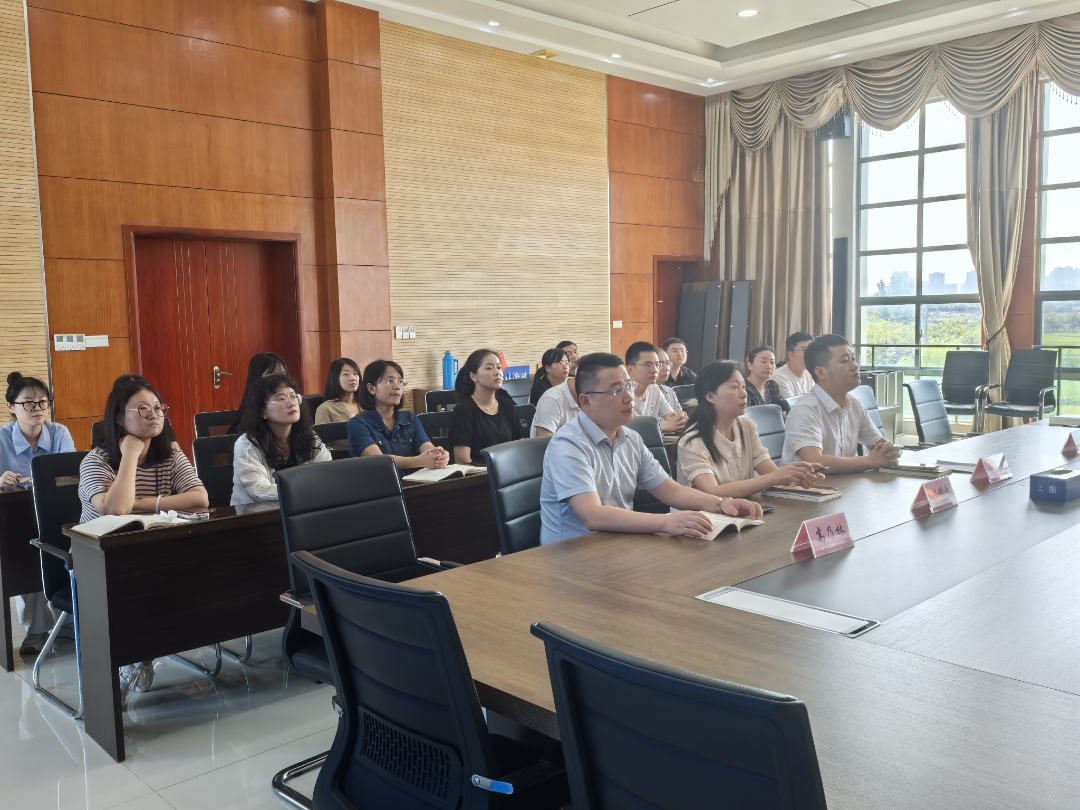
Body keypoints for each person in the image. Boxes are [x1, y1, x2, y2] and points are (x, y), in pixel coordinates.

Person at [539, 353, 762, 546]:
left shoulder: (632, 439)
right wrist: (667, 522)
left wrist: (722, 504)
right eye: (616, 391)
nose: (629, 397)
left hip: (618, 544)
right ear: (586, 402)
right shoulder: (568, 444)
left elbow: (671, 491)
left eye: (629, 386)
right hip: (573, 554)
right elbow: (592, 516)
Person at [78, 374, 209, 693]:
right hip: (99, 563)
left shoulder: (171, 454)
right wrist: (130, 456)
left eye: (158, 408)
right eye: (143, 409)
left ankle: (144, 652)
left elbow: (199, 498)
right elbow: (115, 510)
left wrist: (138, 504)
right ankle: (134, 657)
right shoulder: (95, 461)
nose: (155, 415)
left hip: (155, 553)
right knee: (144, 586)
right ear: (118, 417)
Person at [1, 372, 75, 655]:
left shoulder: (59, 432)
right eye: (29, 403)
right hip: (15, 519)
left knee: (68, 548)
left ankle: (66, 622)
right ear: (11, 407)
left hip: (57, 514)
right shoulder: (1, 438)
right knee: (24, 557)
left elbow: (72, 477)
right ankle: (38, 628)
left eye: (43, 402)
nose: (38, 409)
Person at [678, 361, 822, 498]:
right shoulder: (692, 442)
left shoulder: (746, 427)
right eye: (734, 387)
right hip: (703, 514)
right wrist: (776, 477)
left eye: (743, 387)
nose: (744, 394)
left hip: (743, 510)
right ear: (710, 396)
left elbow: (771, 473)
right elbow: (712, 492)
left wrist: (796, 474)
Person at [781, 334, 902, 470]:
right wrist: (870, 461)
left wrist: (888, 453)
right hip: (810, 484)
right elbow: (814, 462)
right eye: (845, 361)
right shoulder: (805, 409)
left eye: (853, 359)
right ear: (821, 372)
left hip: (846, 481)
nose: (854, 366)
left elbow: (881, 447)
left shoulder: (854, 404)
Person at [232, 374, 331, 504]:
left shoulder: (309, 436)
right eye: (281, 399)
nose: (291, 403)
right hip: (258, 513)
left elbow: (327, 474)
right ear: (263, 411)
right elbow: (258, 490)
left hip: (303, 508)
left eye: (293, 396)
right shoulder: (247, 444)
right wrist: (307, 490)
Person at [348, 360, 449, 474]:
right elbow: (378, 461)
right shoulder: (358, 423)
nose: (397, 386)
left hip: (415, 483)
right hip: (381, 484)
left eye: (400, 381)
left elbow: (426, 446)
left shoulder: (410, 418)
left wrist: (438, 455)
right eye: (390, 381)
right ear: (371, 388)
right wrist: (418, 461)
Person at [449, 349, 522, 464]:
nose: (497, 372)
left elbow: (520, 446)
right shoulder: (464, 410)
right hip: (479, 474)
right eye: (489, 368)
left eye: (499, 367)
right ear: (473, 376)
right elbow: (462, 460)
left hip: (509, 471)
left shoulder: (506, 404)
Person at [625, 341, 686, 434]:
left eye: (657, 365)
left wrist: (681, 420)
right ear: (630, 369)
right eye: (648, 365)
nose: (654, 370)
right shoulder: (621, 395)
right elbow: (625, 433)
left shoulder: (654, 389)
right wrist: (662, 427)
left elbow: (672, 417)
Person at [228, 352, 289, 434]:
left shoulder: (294, 408)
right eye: (272, 376)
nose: (279, 381)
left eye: (283, 375)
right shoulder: (245, 430)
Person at [315, 358, 362, 450]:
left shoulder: (368, 404)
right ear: (335, 378)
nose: (353, 378)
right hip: (342, 456)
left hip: (374, 454)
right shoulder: (326, 408)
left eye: (356, 373)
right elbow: (323, 444)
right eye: (346, 374)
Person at [743, 345, 790, 414]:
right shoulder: (743, 389)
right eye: (763, 361)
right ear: (749, 365)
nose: (769, 366)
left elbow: (782, 408)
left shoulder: (772, 385)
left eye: (772, 362)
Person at [772, 331, 815, 399]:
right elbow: (793, 404)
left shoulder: (810, 375)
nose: (809, 354)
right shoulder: (778, 377)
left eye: (811, 350)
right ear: (791, 355)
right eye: (803, 350)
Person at [655, 346, 682, 413]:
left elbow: (678, 413)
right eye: (660, 364)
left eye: (667, 363)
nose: (666, 368)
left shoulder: (670, 391)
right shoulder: (644, 394)